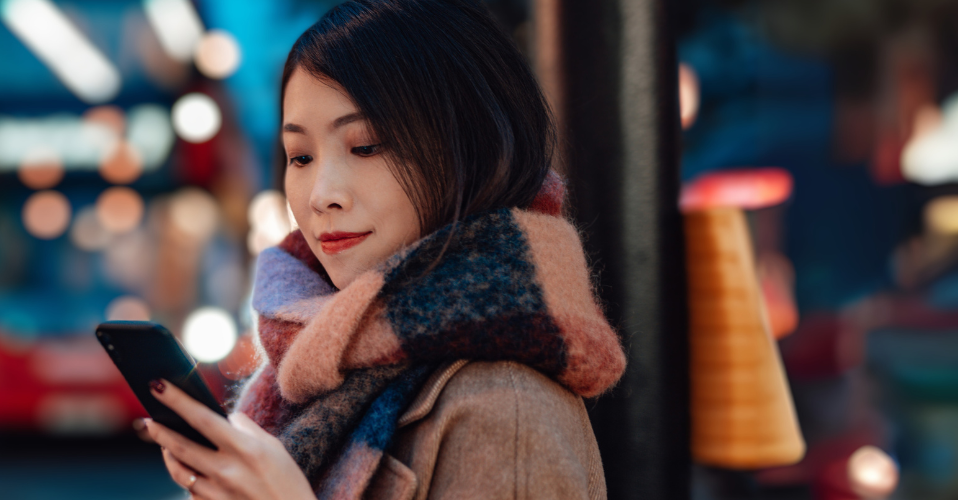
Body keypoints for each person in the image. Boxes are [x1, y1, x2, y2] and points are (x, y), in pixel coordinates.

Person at [137, 0, 629, 499]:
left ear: (468, 148)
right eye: (300, 156)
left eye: (366, 146)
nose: (321, 194)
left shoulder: (507, 408)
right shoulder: (313, 369)